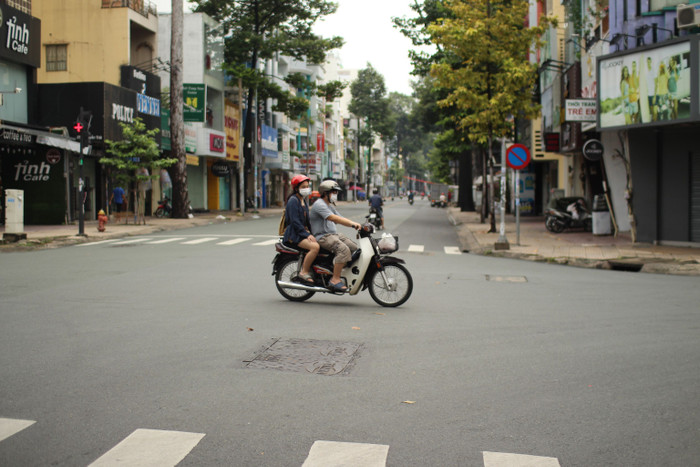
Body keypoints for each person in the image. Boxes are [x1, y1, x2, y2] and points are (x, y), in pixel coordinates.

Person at [310, 180, 361, 293]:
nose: (335, 195)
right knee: (344, 250)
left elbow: (340, 217)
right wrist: (353, 224)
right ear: (325, 193)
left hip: (333, 235)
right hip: (323, 236)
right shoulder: (319, 204)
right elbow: (334, 218)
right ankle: (335, 279)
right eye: (333, 192)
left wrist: (357, 225)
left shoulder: (329, 205)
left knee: (354, 248)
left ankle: (337, 269)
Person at [282, 175, 319, 285]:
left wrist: (313, 233)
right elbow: (295, 222)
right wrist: (306, 235)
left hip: (301, 233)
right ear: (296, 188)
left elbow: (307, 222)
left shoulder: (303, 201)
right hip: (294, 235)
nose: (306, 189)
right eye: (303, 187)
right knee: (315, 247)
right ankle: (304, 272)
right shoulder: (293, 201)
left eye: (307, 186)